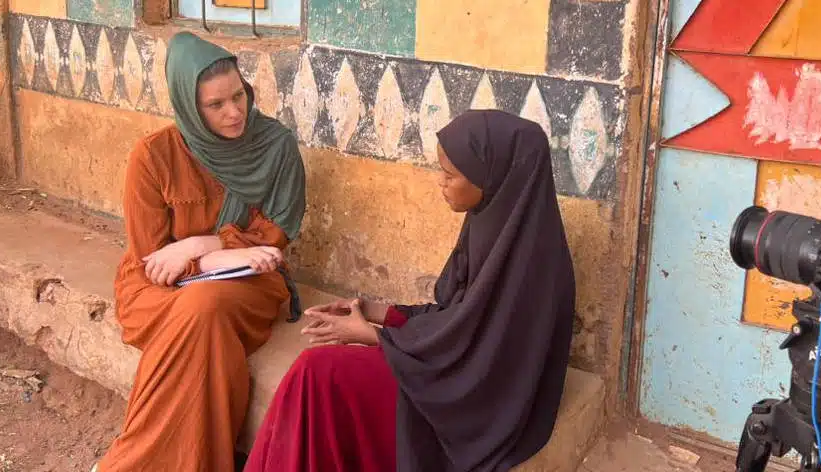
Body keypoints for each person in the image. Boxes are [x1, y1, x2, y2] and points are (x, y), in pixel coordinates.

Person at [243, 109, 576, 472]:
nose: (441, 183)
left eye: (451, 175)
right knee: (315, 376)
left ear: (494, 178)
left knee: (318, 372)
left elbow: (484, 360)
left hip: (473, 405)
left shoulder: (533, 261)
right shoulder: (491, 221)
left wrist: (374, 337)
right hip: (446, 372)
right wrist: (375, 311)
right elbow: (458, 314)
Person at [94, 32, 306, 472]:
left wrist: (207, 244)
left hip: (249, 276)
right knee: (199, 311)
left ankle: (129, 463)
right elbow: (152, 258)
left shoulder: (276, 145)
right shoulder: (153, 156)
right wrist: (208, 258)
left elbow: (277, 234)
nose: (234, 112)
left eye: (238, 96)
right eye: (216, 105)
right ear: (190, 106)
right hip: (156, 286)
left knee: (203, 306)